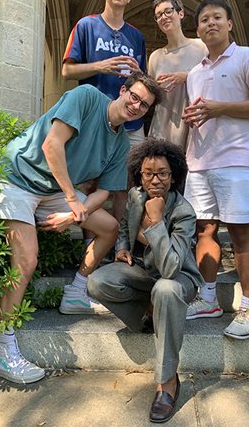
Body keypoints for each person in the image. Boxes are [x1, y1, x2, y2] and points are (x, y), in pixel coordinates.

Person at [0, 72, 163, 384]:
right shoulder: (87, 98)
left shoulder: (121, 143)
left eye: (144, 105)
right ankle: (2, 347)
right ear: (122, 91)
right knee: (27, 260)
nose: (136, 105)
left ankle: (77, 291)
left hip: (53, 192)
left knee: (108, 227)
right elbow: (52, 145)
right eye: (133, 96)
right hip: (17, 178)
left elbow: (104, 194)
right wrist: (71, 199)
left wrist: (72, 216)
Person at [182, 0, 249, 340]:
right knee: (204, 231)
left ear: (229, 24)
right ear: (197, 30)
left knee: (240, 233)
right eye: (204, 19)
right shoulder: (194, 73)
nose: (211, 23)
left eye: (217, 17)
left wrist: (219, 107)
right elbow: (202, 113)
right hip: (200, 163)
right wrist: (192, 119)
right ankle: (208, 298)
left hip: (238, 161)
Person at [87, 138, 204, 423]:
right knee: (98, 281)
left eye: (162, 173)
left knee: (165, 289)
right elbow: (126, 224)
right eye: (148, 173)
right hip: (143, 272)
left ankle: (167, 383)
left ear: (173, 175)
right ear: (139, 174)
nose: (154, 180)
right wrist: (122, 248)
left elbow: (171, 267)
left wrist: (155, 222)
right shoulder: (136, 196)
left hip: (178, 280)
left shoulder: (184, 211)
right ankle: (147, 316)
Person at [62, 0, 147, 221]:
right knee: (91, 182)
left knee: (126, 185)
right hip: (94, 120)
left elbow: (141, 80)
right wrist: (101, 66)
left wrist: (138, 72)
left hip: (131, 122)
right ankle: (91, 239)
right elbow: (67, 70)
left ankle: (122, 243)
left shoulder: (136, 36)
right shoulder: (86, 26)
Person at [148, 0, 207, 151]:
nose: (164, 17)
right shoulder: (155, 57)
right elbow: (150, 97)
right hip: (163, 128)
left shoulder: (202, 47)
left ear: (181, 14)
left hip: (195, 129)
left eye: (168, 11)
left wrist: (187, 76)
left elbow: (215, 78)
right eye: (159, 15)